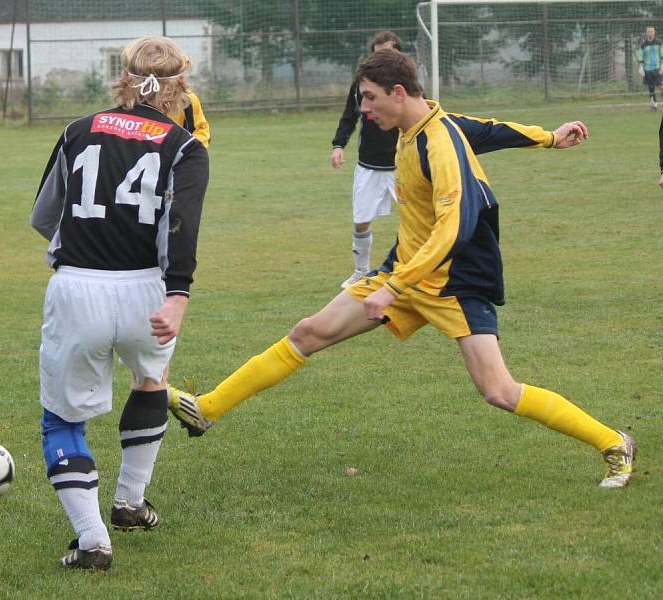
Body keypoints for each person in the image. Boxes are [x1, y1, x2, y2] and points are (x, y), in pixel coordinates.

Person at [168, 50, 636, 491]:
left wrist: (395, 287)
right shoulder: (426, 122)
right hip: (407, 271)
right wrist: (550, 137)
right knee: (309, 332)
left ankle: (613, 442)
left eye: (369, 98)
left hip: (454, 282)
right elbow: (491, 129)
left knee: (499, 390)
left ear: (398, 91)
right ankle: (207, 408)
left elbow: (455, 229)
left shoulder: (441, 145)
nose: (365, 110)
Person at [30, 36, 209, 570]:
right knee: (151, 382)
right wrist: (177, 293)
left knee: (61, 418)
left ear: (122, 76)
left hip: (78, 286)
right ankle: (130, 501)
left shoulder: (77, 130)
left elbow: (45, 216)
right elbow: (183, 227)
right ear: (181, 85)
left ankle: (91, 541)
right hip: (149, 290)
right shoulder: (185, 145)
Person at [332, 31, 402, 289]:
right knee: (361, 220)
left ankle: (419, 269)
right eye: (378, 53)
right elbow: (349, 116)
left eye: (389, 53)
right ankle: (361, 272)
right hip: (369, 166)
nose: (383, 58)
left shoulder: (406, 86)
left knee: (418, 217)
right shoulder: (361, 85)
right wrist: (338, 145)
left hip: (402, 165)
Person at [637, 26, 663, 111]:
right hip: (647, 69)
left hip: (658, 68)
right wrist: (640, 67)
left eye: (652, 31)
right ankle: (654, 105)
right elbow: (640, 56)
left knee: (661, 86)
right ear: (646, 32)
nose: (650, 33)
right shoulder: (643, 45)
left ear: (654, 32)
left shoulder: (659, 43)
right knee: (651, 88)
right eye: (648, 31)